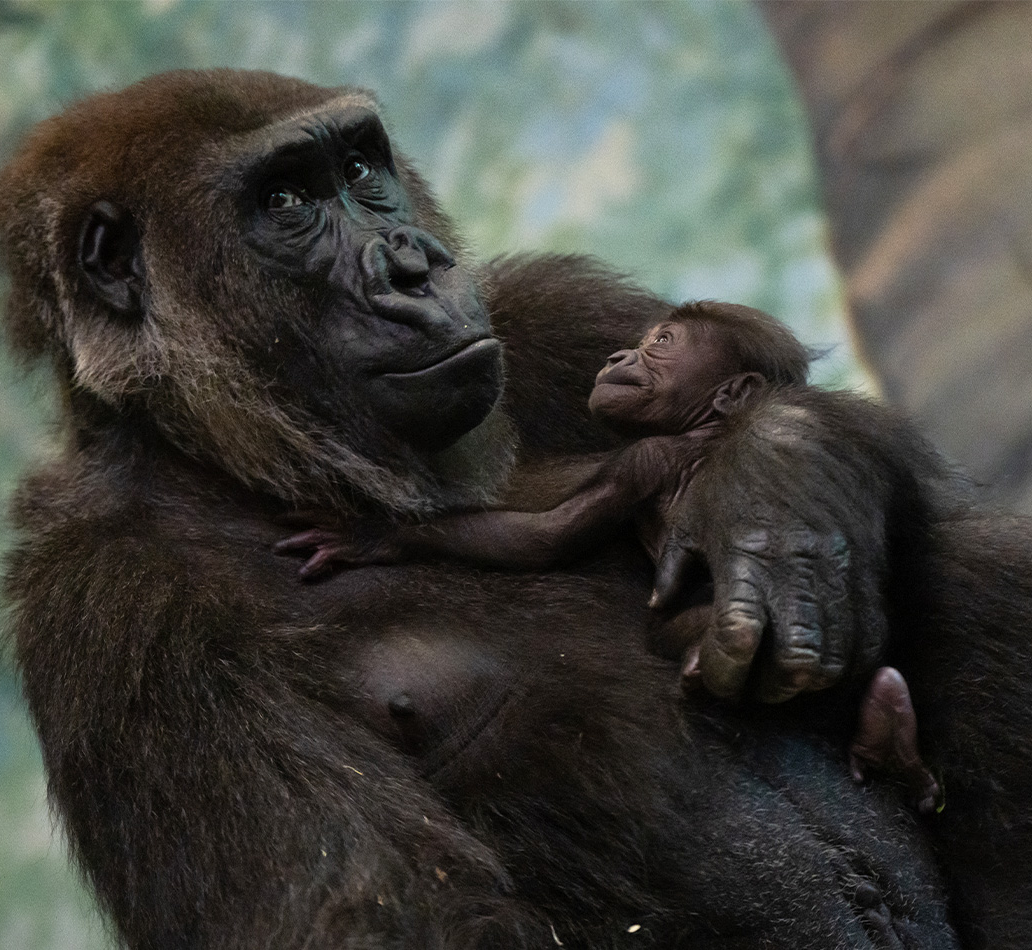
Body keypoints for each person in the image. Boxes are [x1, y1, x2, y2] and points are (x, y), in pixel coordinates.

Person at [279, 300, 940, 811]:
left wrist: (788, 442)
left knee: (683, 633)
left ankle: (860, 714)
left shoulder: (553, 337)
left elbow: (547, 532)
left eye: (365, 166)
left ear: (734, 394)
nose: (405, 262)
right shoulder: (652, 423)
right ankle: (876, 723)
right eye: (284, 200)